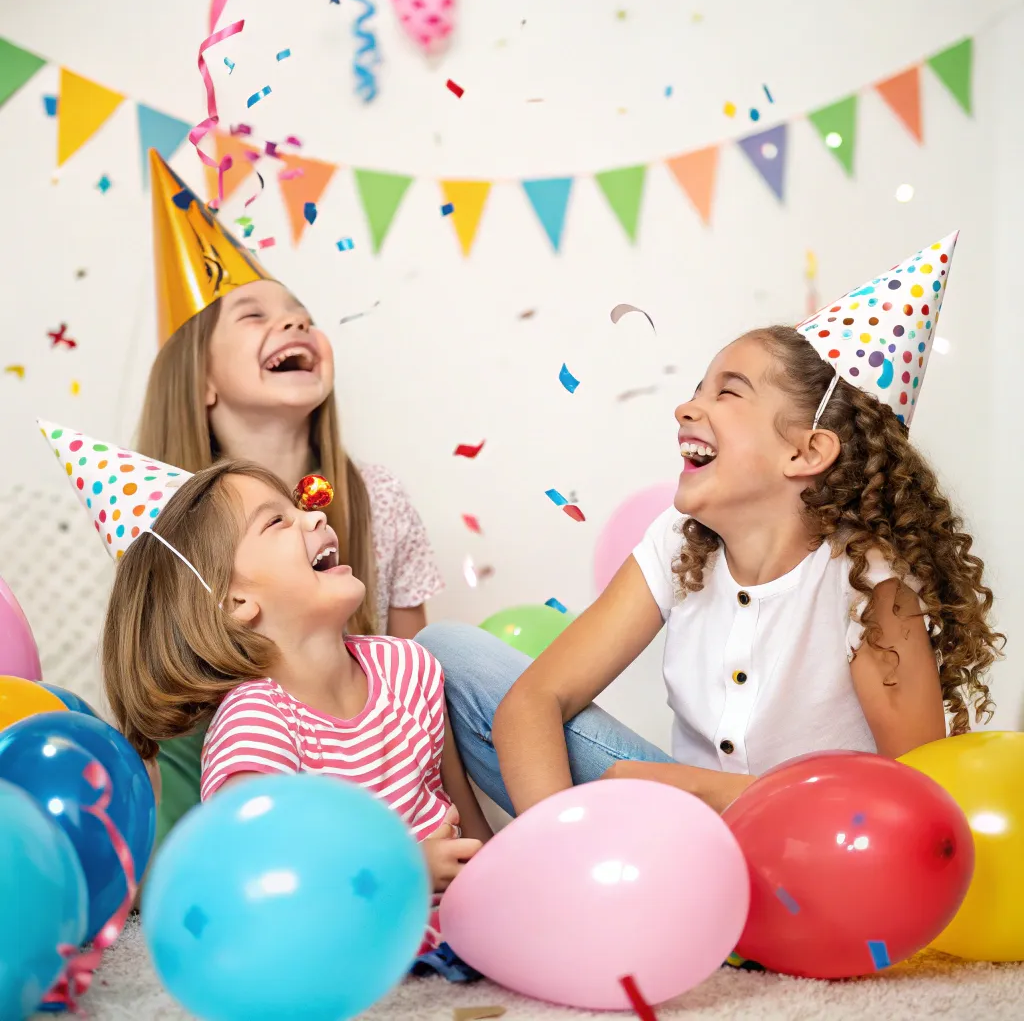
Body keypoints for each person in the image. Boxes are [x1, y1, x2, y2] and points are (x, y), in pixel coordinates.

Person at [418, 232, 1004, 820]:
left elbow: (916, 805)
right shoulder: (678, 542)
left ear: (805, 453)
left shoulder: (868, 584)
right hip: (686, 839)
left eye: (728, 392)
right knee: (448, 655)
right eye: (698, 388)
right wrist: (560, 845)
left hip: (815, 852)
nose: (687, 406)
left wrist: (704, 790)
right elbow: (535, 699)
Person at [40, 426, 490, 934]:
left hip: (464, 932)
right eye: (278, 521)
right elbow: (256, 886)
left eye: (300, 507)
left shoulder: (411, 668)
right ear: (235, 603)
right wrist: (402, 872)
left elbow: (471, 825)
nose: (317, 515)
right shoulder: (255, 724)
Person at [136, 150, 444, 848]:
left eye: (303, 315)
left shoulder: (376, 497)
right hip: (228, 807)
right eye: (252, 315)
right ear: (201, 380)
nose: (295, 325)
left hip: (376, 786)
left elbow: (424, 683)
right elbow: (152, 696)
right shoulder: (164, 522)